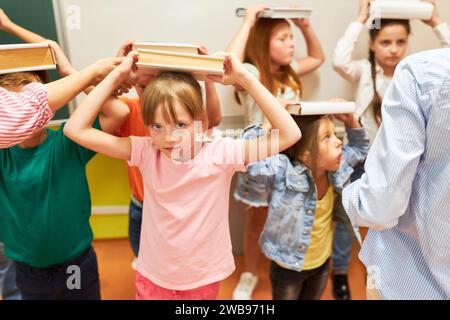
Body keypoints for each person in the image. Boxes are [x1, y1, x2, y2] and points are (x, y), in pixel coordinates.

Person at [64, 52, 301, 300]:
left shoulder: (221, 153)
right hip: (153, 277)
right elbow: (75, 128)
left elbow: (289, 134)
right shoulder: (146, 151)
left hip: (202, 279)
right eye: (157, 126)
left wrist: (245, 78)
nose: (168, 137)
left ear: (200, 121)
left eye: (180, 124)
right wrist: (116, 77)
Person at [330, 0, 450, 299]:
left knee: (396, 219)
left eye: (400, 42)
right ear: (372, 44)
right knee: (349, 223)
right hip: (366, 161)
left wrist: (436, 22)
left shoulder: (420, 75)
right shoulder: (363, 71)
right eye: (385, 42)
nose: (393, 49)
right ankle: (341, 273)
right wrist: (362, 19)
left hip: (407, 170)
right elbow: (338, 60)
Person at [226, 4, 325, 299]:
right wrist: (248, 21)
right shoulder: (251, 74)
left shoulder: (291, 71)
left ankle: (285, 270)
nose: (291, 44)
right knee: (256, 223)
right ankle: (249, 274)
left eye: (291, 38)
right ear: (263, 43)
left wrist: (305, 27)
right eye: (283, 38)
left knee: (289, 219)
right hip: (261, 161)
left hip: (293, 161)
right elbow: (228, 62)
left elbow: (318, 57)